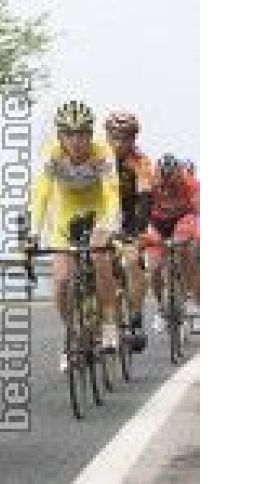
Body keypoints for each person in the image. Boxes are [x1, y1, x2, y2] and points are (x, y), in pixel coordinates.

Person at [29, 100, 121, 372]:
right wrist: (33, 233)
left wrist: (109, 225)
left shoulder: (102, 152)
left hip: (99, 212)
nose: (76, 141)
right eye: (69, 134)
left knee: (99, 255)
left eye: (82, 134)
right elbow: (41, 194)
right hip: (65, 217)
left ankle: (108, 323)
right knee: (61, 281)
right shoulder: (52, 154)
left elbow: (111, 193)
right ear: (60, 136)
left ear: (90, 135)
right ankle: (72, 334)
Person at [104, 111, 156, 352]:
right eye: (114, 136)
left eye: (126, 137)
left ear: (134, 139)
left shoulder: (141, 162)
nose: (119, 143)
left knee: (133, 261)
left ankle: (135, 318)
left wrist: (136, 232)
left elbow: (145, 198)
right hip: (103, 214)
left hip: (130, 215)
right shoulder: (97, 158)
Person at [139, 154, 200, 331]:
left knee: (186, 252)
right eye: (163, 177)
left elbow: (197, 211)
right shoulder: (150, 181)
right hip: (158, 223)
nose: (167, 182)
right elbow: (142, 209)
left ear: (179, 173)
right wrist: (142, 235)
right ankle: (160, 309)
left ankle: (192, 301)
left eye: (171, 177)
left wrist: (194, 237)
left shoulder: (190, 182)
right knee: (154, 268)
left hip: (182, 219)